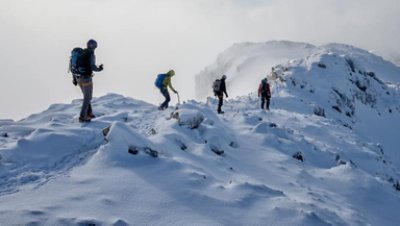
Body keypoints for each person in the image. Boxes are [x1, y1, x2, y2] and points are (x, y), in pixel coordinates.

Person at [75, 39, 104, 122]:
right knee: (88, 98)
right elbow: (93, 67)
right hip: (86, 79)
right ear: (94, 46)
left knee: (86, 96)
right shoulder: (91, 55)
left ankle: (89, 113)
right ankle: (82, 116)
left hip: (79, 78)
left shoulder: (82, 53)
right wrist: (99, 69)